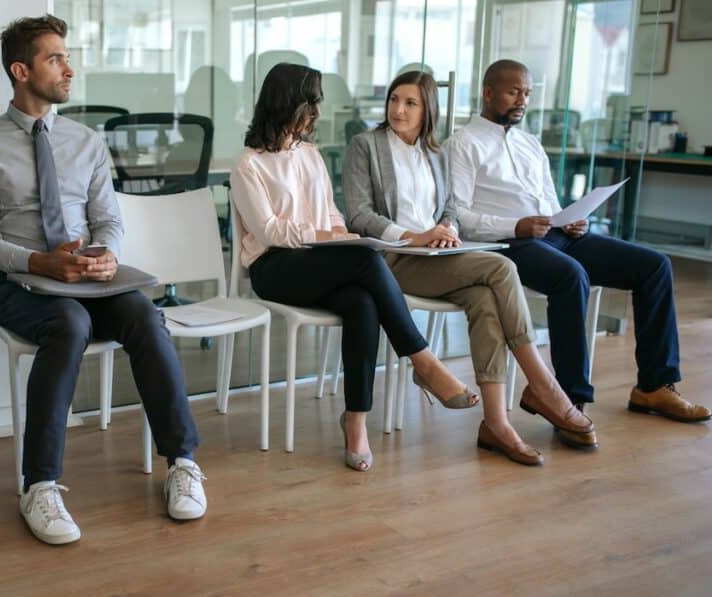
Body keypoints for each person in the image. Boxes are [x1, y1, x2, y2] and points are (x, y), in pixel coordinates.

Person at [0, 15, 207, 546]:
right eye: (55, 59)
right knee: (68, 323)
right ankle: (39, 485)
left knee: (143, 312)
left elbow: (108, 220)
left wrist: (107, 257)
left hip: (89, 281)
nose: (69, 69)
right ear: (21, 71)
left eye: (67, 57)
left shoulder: (86, 142)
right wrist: (41, 263)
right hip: (20, 286)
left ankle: (182, 462)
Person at [231, 62, 478, 473]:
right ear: (287, 104)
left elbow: (331, 215)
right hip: (274, 268)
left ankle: (356, 422)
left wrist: (341, 235)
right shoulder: (249, 164)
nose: (316, 113)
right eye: (310, 104)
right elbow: (270, 231)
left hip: (317, 260)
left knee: (362, 301)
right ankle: (424, 362)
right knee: (364, 260)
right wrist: (328, 238)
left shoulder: (310, 156)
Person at [343, 70, 595, 464]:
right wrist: (414, 236)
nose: (398, 109)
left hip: (436, 257)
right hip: (391, 260)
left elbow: (450, 208)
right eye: (394, 100)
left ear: (428, 110)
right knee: (499, 268)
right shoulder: (366, 145)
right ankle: (543, 384)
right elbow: (358, 214)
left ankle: (496, 423)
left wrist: (446, 230)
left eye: (410, 103)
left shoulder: (436, 153)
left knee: (485, 301)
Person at [447, 59, 709, 424]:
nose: (522, 100)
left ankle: (654, 386)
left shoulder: (530, 144)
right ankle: (569, 398)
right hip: (507, 243)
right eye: (513, 92)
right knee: (571, 276)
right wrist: (517, 225)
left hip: (555, 234)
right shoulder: (462, 145)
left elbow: (549, 202)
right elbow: (458, 216)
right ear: (488, 92)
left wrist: (570, 218)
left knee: (654, 266)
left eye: (527, 93)